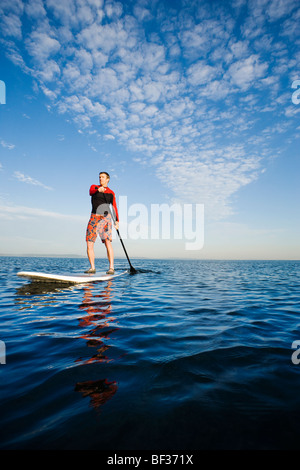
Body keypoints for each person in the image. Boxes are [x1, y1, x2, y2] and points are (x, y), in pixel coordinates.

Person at [85, 172, 119, 274]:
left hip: (106, 218)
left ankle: (111, 268)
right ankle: (92, 268)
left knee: (108, 242)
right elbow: (91, 191)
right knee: (89, 242)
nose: (100, 179)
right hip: (94, 217)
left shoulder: (111, 193)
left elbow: (114, 207)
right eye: (99, 177)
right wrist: (97, 189)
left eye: (103, 177)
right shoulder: (94, 187)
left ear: (107, 179)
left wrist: (117, 221)